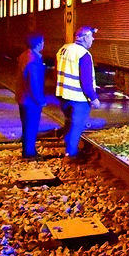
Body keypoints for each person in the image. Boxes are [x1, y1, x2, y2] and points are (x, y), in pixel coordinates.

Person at [55, 26, 101, 160]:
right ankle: (71, 153)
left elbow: (56, 71)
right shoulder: (84, 54)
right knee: (77, 125)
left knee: (69, 121)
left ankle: (68, 148)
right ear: (85, 37)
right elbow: (86, 81)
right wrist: (94, 98)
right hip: (78, 97)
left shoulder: (63, 49)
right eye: (91, 36)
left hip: (63, 94)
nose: (93, 39)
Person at [16, 33, 47, 158]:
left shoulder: (25, 55)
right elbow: (34, 82)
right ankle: (29, 153)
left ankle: (28, 151)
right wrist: (40, 100)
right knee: (31, 127)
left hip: (23, 97)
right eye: (43, 42)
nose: (44, 44)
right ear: (38, 43)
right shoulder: (33, 60)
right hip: (30, 100)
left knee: (27, 126)